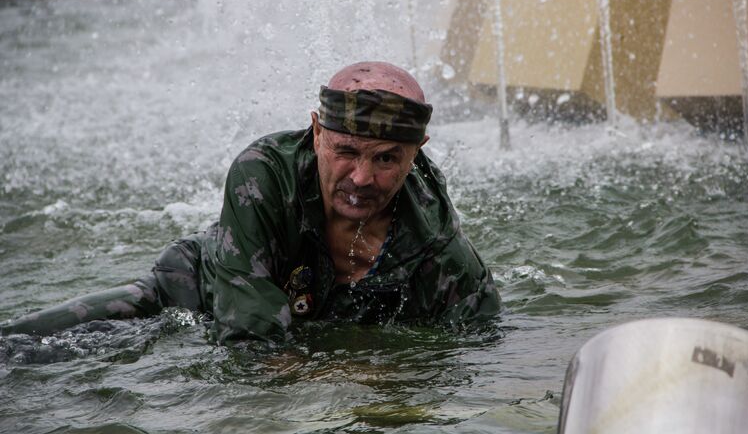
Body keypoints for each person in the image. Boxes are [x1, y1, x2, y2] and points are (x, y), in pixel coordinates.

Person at [0, 62, 501, 343]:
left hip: (310, 326)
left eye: (387, 159)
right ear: (316, 131)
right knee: (26, 344)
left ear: (419, 152)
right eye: (345, 152)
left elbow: (480, 338)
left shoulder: (439, 247)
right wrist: (339, 379)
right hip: (196, 295)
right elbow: (248, 336)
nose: (362, 177)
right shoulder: (262, 173)